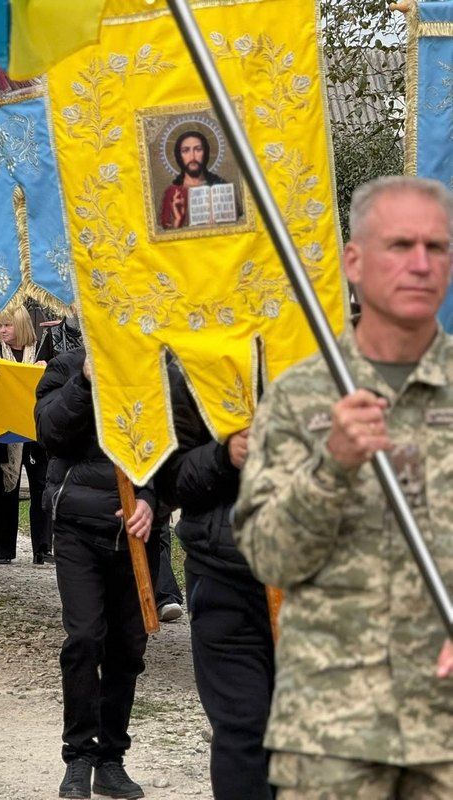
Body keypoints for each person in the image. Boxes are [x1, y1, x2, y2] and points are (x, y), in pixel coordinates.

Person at [235, 175, 453, 798]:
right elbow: (270, 558)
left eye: (437, 247)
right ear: (353, 262)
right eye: (400, 245)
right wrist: (331, 465)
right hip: (333, 733)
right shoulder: (300, 397)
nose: (420, 264)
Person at [36, 350, 155, 800]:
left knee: (127, 648)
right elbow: (50, 433)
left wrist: (152, 501)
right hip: (78, 528)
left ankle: (111, 759)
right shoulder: (65, 367)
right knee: (85, 638)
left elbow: (175, 449)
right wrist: (85, 382)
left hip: (137, 534)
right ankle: (79, 756)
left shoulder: (158, 366)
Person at [161, 368, 270, 799]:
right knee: (244, 726)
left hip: (324, 585)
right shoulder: (195, 367)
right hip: (226, 578)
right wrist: (225, 455)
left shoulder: (341, 357)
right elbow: (168, 480)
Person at [0, 306, 53, 564]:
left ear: (21, 325)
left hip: (36, 433)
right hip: (3, 433)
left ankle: (42, 549)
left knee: (41, 488)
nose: (2, 331)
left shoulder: (43, 350)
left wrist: (46, 370)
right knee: (4, 489)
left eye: (7, 325)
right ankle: (4, 551)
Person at [159, 130, 234, 230]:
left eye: (198, 149)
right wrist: (178, 220)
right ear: (179, 156)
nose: (192, 157)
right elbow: (164, 236)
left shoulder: (220, 187)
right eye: (185, 151)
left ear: (205, 153)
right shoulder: (172, 193)